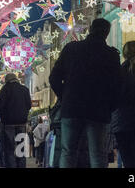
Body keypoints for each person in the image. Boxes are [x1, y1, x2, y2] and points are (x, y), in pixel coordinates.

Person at [49, 18, 123, 168]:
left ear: (90, 29)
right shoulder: (111, 55)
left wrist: (65, 96)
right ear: (106, 33)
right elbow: (117, 86)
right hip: (98, 110)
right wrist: (110, 106)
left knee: (68, 152)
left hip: (72, 108)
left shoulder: (71, 49)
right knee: (98, 153)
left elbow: (54, 77)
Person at [0, 73, 32, 168]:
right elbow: (29, 105)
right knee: (21, 150)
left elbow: (0, 106)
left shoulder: (5, 89)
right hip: (21, 124)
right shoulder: (25, 89)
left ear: (7, 80)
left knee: (9, 150)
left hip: (8, 124)